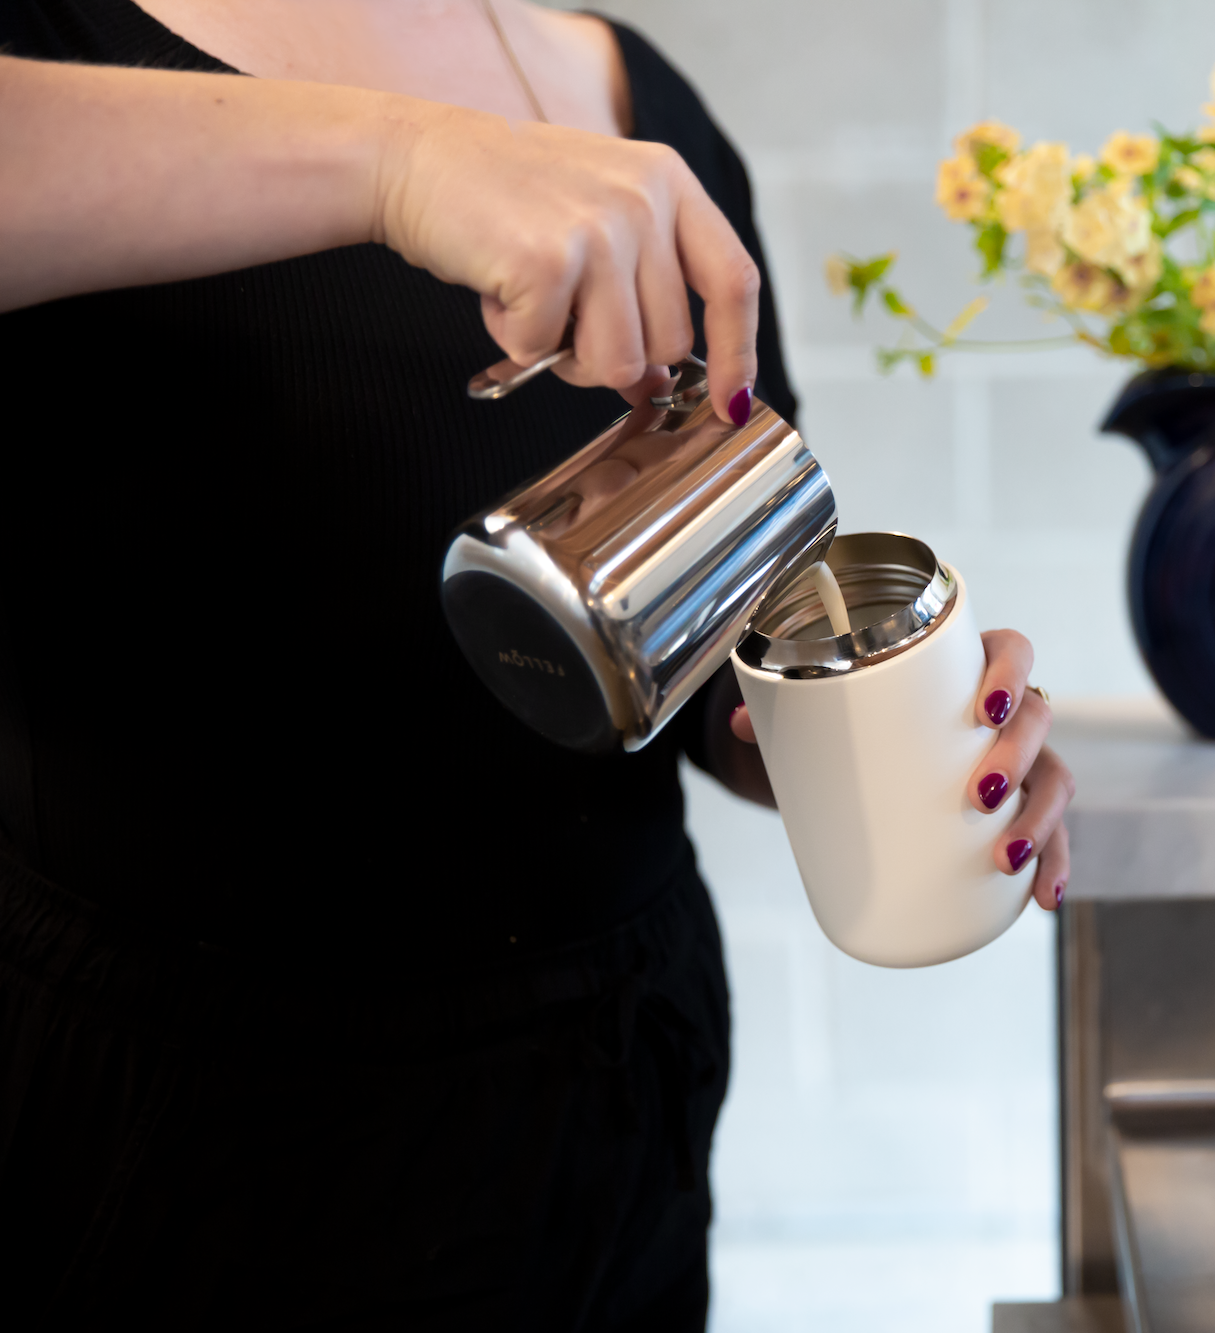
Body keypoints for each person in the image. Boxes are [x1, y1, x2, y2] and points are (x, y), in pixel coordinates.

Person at [0, 2, 1074, 1327]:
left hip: (611, 1096)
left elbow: (698, 672)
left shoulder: (634, 94)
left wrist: (875, 731)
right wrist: (395, 165)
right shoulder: (49, 51)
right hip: (185, 1137)